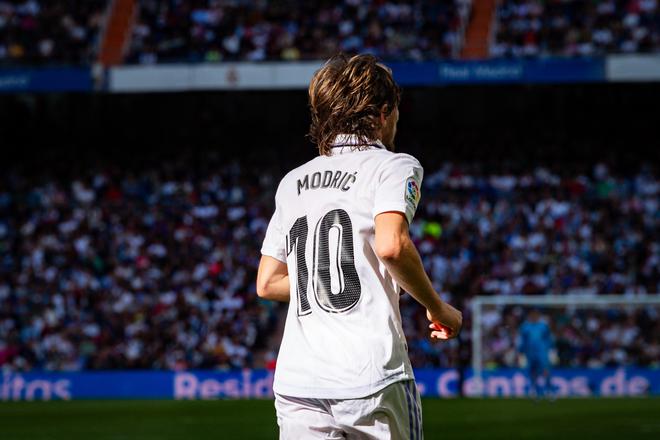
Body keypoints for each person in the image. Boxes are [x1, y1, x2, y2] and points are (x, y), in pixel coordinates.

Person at [256, 53, 462, 439]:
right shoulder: (393, 165)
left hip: (299, 382)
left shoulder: (293, 181)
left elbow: (267, 283)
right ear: (383, 113)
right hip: (370, 376)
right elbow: (391, 246)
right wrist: (438, 307)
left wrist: (336, 275)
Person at [518, 308, 554, 398]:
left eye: (536, 314)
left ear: (538, 315)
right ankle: (534, 389)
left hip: (542, 352)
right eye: (532, 314)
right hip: (530, 352)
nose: (534, 316)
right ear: (530, 315)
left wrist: (551, 349)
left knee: (545, 370)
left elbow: (548, 339)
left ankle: (549, 390)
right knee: (533, 372)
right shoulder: (525, 327)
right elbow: (522, 340)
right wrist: (521, 351)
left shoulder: (543, 326)